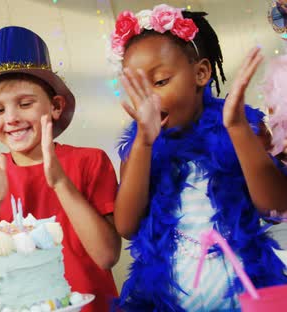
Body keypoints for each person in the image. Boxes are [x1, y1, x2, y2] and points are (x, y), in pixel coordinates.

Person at [111, 5, 287, 310]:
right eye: (137, 88)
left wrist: (237, 130)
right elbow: (126, 225)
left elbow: (277, 208)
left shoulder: (244, 126)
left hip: (245, 294)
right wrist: (143, 143)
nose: (149, 99)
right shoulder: (139, 150)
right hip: (169, 299)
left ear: (201, 73)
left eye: (161, 81)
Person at [0, 26, 121, 312]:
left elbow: (107, 256)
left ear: (55, 106)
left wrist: (61, 182)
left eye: (25, 103)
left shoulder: (90, 161)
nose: (12, 118)